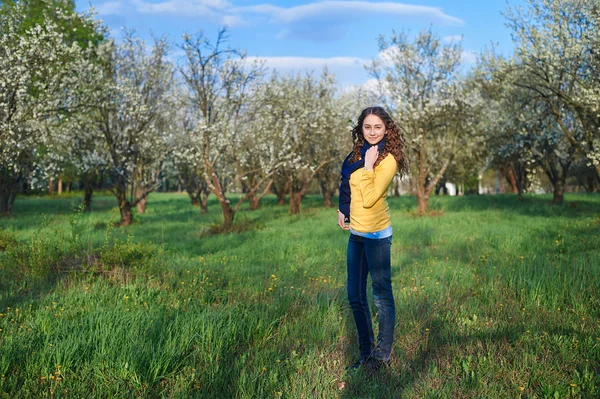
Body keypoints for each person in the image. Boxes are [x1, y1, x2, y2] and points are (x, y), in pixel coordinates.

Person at [337, 106, 407, 370]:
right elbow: (347, 183)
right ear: (361, 129)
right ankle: (366, 353)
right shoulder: (357, 153)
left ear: (387, 129)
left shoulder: (388, 159)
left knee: (381, 295)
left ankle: (382, 356)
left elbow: (368, 198)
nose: (373, 132)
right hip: (356, 233)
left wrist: (367, 167)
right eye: (368, 127)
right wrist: (342, 209)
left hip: (376, 234)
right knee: (355, 295)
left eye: (378, 127)